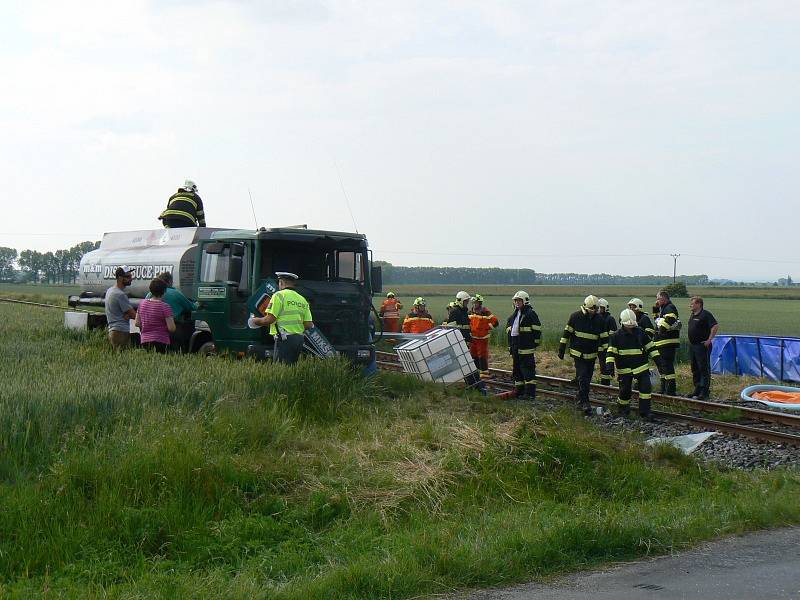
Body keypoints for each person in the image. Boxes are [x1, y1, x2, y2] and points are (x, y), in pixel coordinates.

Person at [558, 295, 609, 415]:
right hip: (578, 354)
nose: (593, 313)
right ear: (586, 307)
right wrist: (561, 348)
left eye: (595, 311)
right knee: (583, 377)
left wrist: (607, 355)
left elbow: (605, 339)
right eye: (591, 310)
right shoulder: (575, 317)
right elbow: (566, 333)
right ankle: (585, 403)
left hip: (591, 355)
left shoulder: (600, 320)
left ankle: (579, 398)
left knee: (587, 378)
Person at [248, 272, 313, 364]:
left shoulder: (278, 296)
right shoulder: (302, 299)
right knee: (292, 367)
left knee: (282, 368)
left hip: (284, 338)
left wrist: (254, 321)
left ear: (281, 282)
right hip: (299, 339)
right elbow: (308, 324)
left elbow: (269, 320)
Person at [605, 309, 659, 420]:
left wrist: (659, 362)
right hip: (624, 369)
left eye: (632, 326)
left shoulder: (640, 333)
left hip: (641, 367)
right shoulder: (616, 336)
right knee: (624, 391)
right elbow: (610, 352)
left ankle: (645, 412)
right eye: (628, 326)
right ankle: (623, 410)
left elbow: (651, 347)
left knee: (645, 389)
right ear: (622, 324)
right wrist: (609, 366)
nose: (630, 328)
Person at [145, 271, 199, 351]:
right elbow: (192, 307)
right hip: (172, 329)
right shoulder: (176, 294)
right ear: (170, 281)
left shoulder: (150, 294)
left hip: (151, 333)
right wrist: (199, 302)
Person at [445, 291, 486, 394]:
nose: (467, 303)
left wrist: (469, 338)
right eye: (466, 301)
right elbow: (452, 329)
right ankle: (476, 385)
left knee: (467, 365)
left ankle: (473, 385)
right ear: (460, 301)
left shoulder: (463, 312)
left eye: (467, 302)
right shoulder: (455, 312)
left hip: (464, 342)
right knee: (467, 365)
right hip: (458, 343)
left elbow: (466, 328)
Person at [506, 290, 541, 399]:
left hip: (526, 348)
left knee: (528, 370)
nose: (517, 303)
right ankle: (519, 391)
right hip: (516, 346)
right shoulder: (513, 316)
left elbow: (537, 330)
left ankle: (530, 394)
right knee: (517, 370)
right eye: (516, 300)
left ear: (525, 301)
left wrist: (533, 344)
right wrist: (510, 346)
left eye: (519, 300)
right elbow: (510, 332)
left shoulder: (530, 314)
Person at [687, 296, 719, 400]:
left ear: (698, 304)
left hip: (702, 345)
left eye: (692, 304)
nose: (690, 305)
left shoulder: (706, 314)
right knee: (695, 368)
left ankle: (704, 391)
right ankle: (697, 388)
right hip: (693, 345)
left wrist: (709, 339)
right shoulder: (692, 315)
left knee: (703, 368)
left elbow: (715, 326)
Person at [135, 278, 176, 353]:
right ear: (164, 291)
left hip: (145, 341)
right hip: (161, 341)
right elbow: (172, 328)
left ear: (150, 290)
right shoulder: (165, 307)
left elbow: (137, 323)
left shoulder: (142, 304)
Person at [653, 290, 681, 395]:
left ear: (664, 298)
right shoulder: (663, 309)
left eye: (658, 299)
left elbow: (671, 318)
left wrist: (662, 330)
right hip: (662, 343)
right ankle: (663, 388)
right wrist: (655, 307)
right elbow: (656, 320)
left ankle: (670, 390)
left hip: (667, 343)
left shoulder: (669, 307)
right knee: (663, 367)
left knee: (667, 366)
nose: (657, 301)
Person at [104, 265, 137, 349]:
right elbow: (134, 316)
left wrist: (127, 314)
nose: (131, 279)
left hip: (113, 330)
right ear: (120, 278)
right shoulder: (120, 295)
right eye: (128, 277)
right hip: (121, 332)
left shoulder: (110, 290)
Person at [469, 294, 499, 376]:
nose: (474, 304)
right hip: (473, 338)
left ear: (480, 303)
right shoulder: (470, 312)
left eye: (476, 303)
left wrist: (486, 328)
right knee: (473, 355)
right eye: (473, 303)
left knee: (482, 355)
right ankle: (477, 373)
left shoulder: (485, 312)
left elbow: (495, 322)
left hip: (482, 338)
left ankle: (484, 373)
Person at [597, 298, 617, 386]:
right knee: (602, 366)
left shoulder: (610, 319)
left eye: (601, 307)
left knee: (606, 366)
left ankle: (606, 384)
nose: (599, 309)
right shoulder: (596, 318)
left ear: (605, 308)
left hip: (607, 347)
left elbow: (613, 335)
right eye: (598, 307)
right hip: (598, 347)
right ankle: (604, 384)